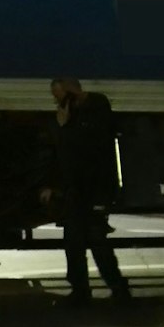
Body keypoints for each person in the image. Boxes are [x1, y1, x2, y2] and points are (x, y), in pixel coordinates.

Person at [40, 77, 132, 306]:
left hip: (94, 190)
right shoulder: (72, 119)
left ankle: (118, 288)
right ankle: (82, 290)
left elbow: (86, 147)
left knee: (96, 240)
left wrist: (66, 126)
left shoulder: (96, 110)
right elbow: (64, 157)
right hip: (76, 192)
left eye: (59, 96)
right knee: (74, 242)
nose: (57, 102)